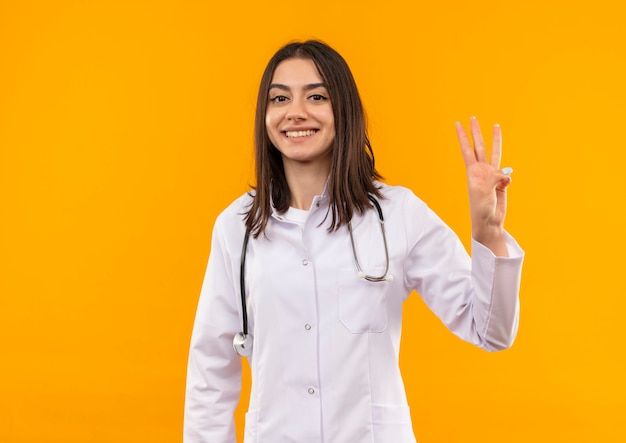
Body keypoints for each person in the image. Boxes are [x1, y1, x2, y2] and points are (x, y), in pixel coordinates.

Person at [183, 40, 524, 443]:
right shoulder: (235, 228)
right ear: (265, 115)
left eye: (316, 96)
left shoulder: (398, 214)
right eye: (280, 98)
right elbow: (211, 373)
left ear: (342, 109)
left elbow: (491, 331)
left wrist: (489, 234)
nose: (296, 112)